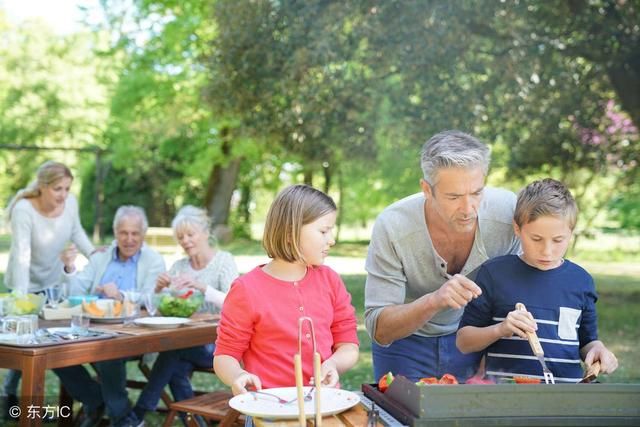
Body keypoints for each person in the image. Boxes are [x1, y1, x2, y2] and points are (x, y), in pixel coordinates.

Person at [364, 130, 521, 383]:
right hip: (405, 345)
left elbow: (519, 292)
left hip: (473, 339)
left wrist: (487, 360)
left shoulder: (507, 214)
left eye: (477, 193)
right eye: (454, 197)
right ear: (427, 189)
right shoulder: (393, 226)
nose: (469, 209)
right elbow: (380, 329)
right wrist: (435, 300)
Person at [456, 179, 618, 382]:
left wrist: (598, 351)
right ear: (517, 229)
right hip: (505, 396)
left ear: (571, 233)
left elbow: (587, 342)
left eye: (558, 240)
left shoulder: (581, 281)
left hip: (565, 398)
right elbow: (464, 341)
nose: (547, 251)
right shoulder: (494, 273)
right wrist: (501, 329)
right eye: (536, 239)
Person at [214, 184, 359, 402]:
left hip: (325, 404)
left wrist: (333, 364)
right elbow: (225, 355)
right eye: (323, 231)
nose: (332, 240)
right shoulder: (247, 289)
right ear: (291, 232)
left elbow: (348, 345)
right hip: (269, 408)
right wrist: (238, 375)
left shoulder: (330, 281)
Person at [55, 205, 165, 427]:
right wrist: (69, 267)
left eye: (135, 233)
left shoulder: (153, 260)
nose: (129, 239)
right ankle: (94, 399)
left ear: (143, 234)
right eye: (124, 233)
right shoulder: (101, 257)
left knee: (108, 349)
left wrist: (121, 295)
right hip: (93, 327)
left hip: (134, 333)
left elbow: (152, 296)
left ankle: (122, 418)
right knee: (54, 349)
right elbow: (76, 292)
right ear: (115, 233)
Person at [2, 160, 95, 420]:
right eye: (57, 189)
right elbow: (22, 254)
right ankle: (8, 396)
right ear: (42, 186)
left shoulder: (70, 204)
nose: (63, 195)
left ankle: (7, 393)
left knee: (41, 340)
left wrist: (94, 255)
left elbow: (76, 232)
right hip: (25, 285)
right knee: (25, 339)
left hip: (53, 285)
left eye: (67, 188)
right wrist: (21, 301)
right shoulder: (24, 210)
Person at [131, 205, 238, 421]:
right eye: (181, 236)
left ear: (206, 233)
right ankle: (195, 423)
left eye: (191, 234)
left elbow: (234, 305)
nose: (185, 240)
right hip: (186, 343)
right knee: (176, 368)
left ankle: (140, 411)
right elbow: (163, 309)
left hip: (219, 345)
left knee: (172, 351)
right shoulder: (179, 266)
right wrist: (159, 290)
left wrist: (201, 287)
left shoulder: (223, 261)